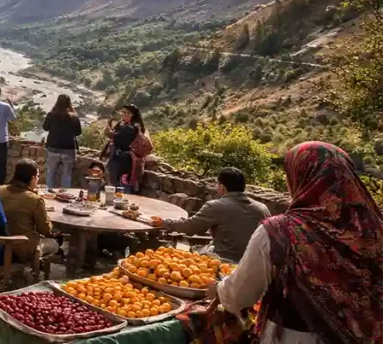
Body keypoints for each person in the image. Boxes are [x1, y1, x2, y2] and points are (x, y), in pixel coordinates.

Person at [210, 142, 383, 343]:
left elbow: (239, 295)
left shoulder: (280, 231)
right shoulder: (374, 231)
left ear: (301, 178)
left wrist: (219, 289)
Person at [151, 168, 269, 263]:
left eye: (218, 186)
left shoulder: (216, 206)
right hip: (255, 264)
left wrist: (165, 223)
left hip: (225, 262)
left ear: (222, 187)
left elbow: (190, 227)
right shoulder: (262, 209)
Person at [0, 159, 59, 263]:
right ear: (33, 178)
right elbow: (45, 230)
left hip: (0, 245)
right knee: (55, 243)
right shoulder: (34, 199)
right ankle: (37, 266)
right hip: (23, 249)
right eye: (38, 176)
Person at [42, 94, 82, 189]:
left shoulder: (51, 115)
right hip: (68, 150)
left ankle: (49, 193)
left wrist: (52, 110)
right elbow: (78, 132)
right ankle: (65, 195)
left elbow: (45, 127)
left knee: (51, 173)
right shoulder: (74, 117)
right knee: (66, 175)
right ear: (69, 103)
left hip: (52, 149)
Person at [104, 105, 145, 192]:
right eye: (122, 112)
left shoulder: (130, 128)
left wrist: (109, 132)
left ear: (130, 114)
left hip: (123, 159)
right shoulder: (130, 125)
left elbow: (119, 140)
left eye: (124, 113)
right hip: (123, 158)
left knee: (119, 184)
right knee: (119, 182)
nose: (122, 115)